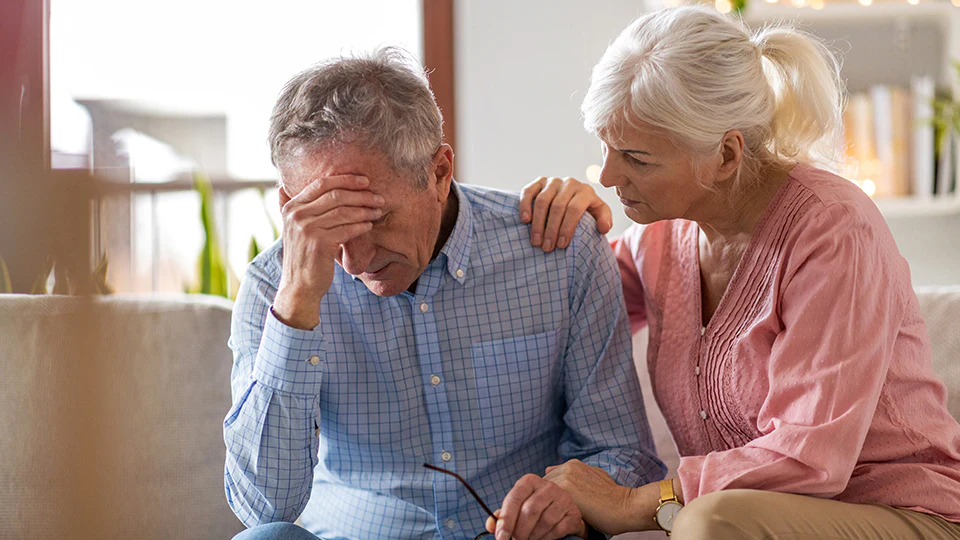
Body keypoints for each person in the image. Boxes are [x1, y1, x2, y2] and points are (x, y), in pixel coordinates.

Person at [497, 6, 960, 540]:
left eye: (636, 158)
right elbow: (563, 304)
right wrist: (571, 222)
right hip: (755, 519)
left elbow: (809, 459)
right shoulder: (658, 241)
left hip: (908, 515)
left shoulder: (834, 229)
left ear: (725, 155)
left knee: (707, 521)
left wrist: (632, 502)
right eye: (605, 146)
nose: (606, 175)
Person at [222, 47, 664, 540]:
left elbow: (624, 455)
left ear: (439, 172)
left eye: (376, 218)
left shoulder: (559, 250)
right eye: (333, 225)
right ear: (290, 205)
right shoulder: (272, 287)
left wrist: (569, 505)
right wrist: (297, 306)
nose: (355, 261)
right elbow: (264, 507)